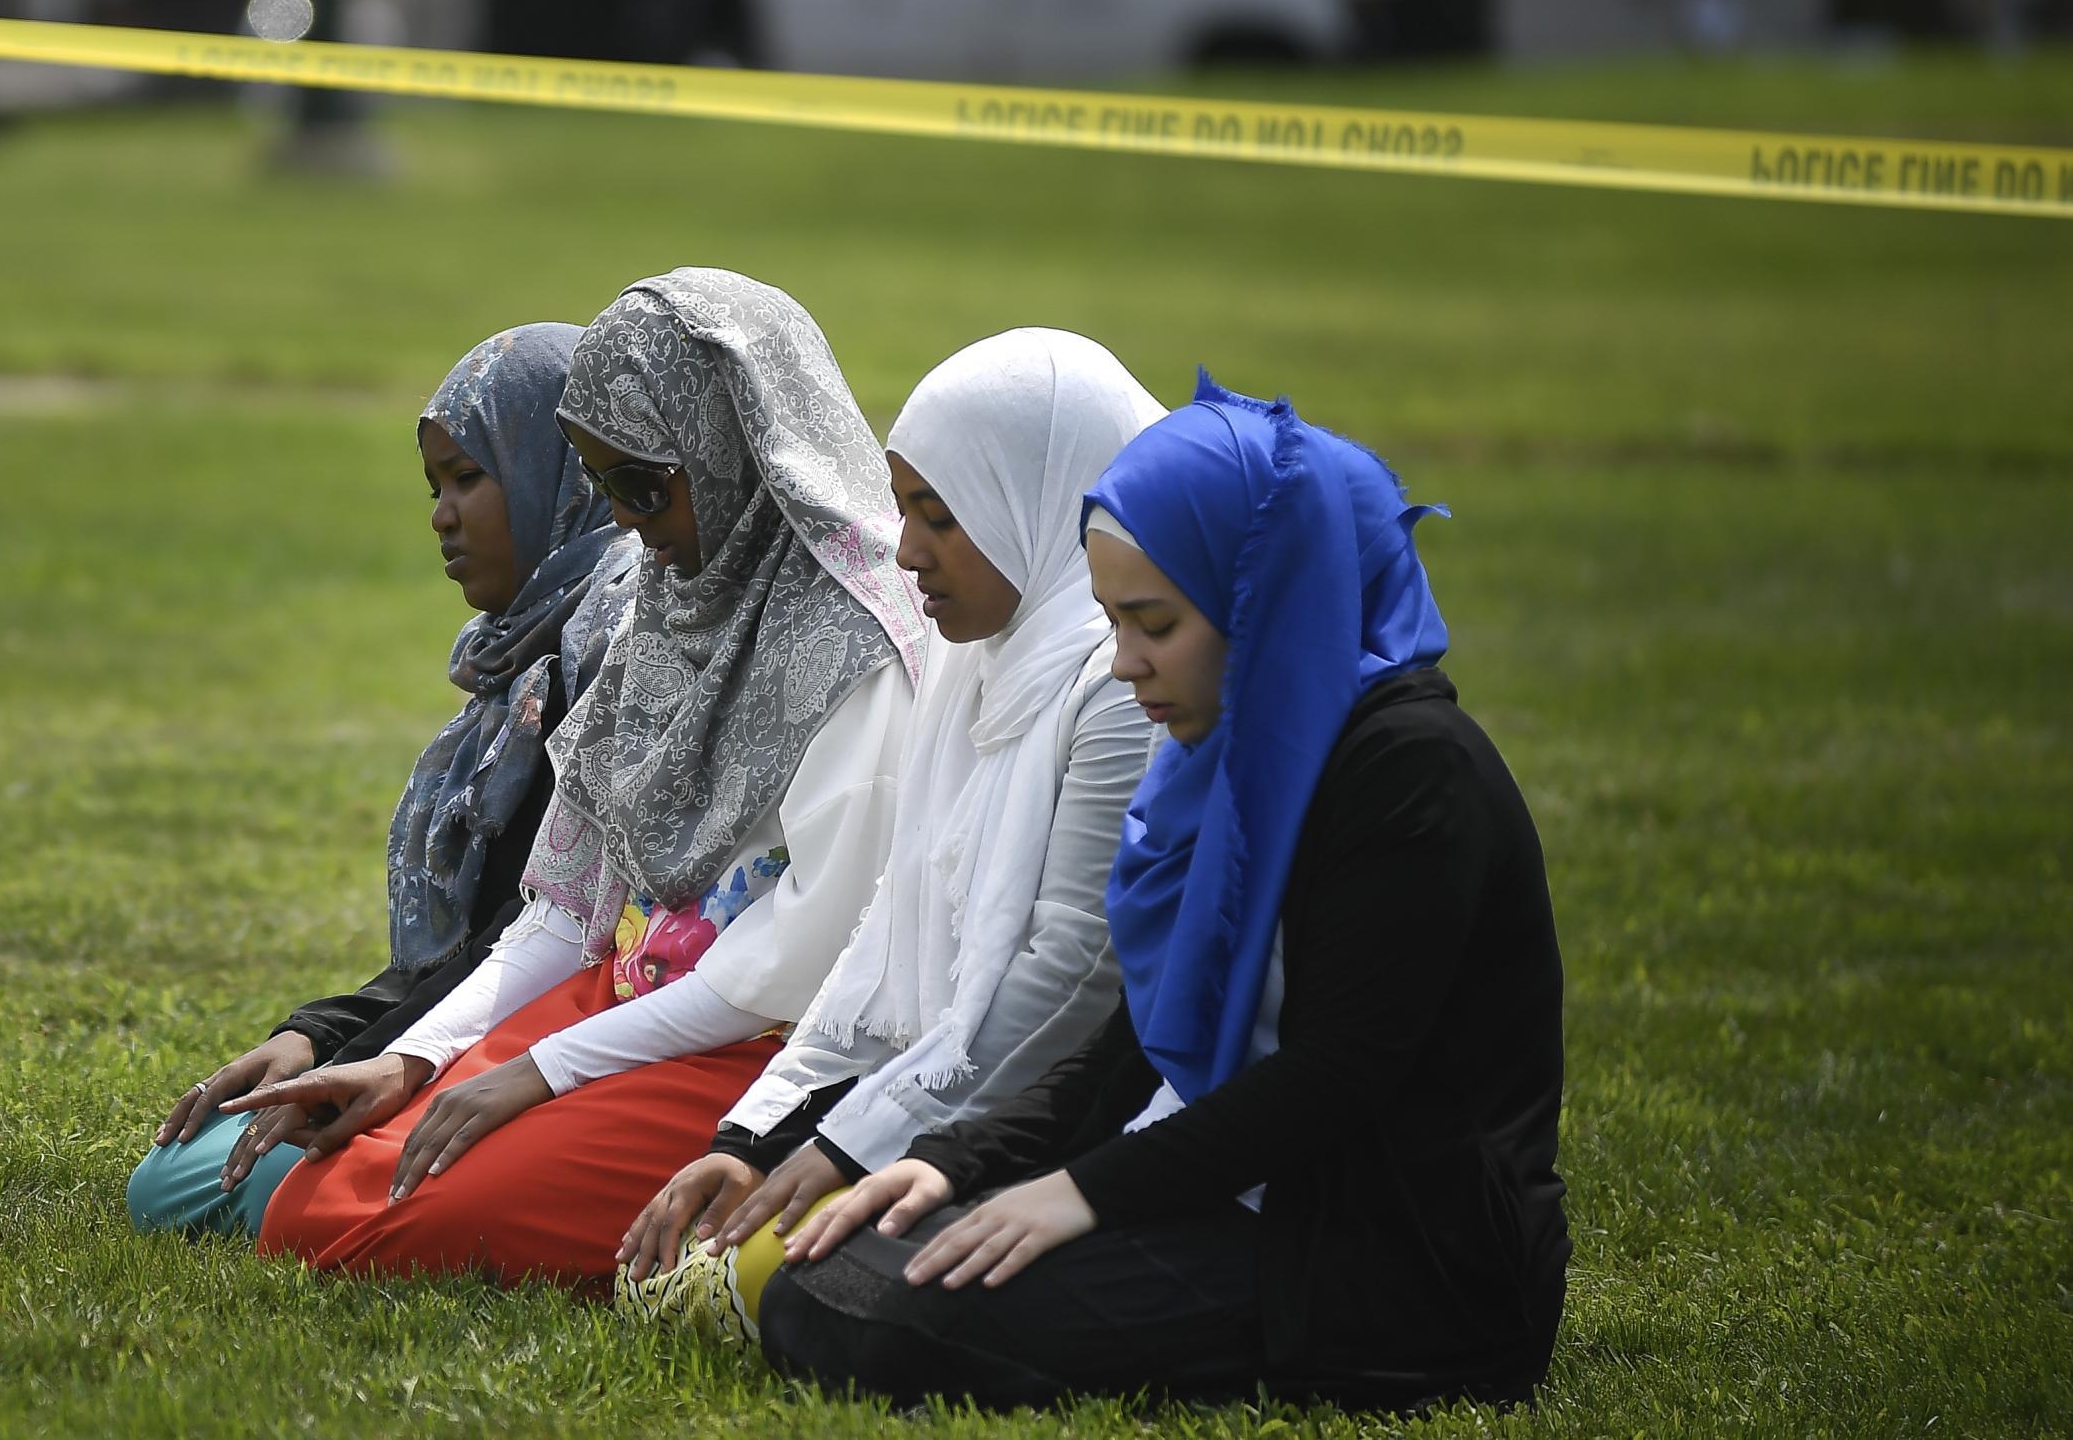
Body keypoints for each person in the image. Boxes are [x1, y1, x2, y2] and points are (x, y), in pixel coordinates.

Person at [760, 376, 1569, 1412]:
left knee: (886, 1316)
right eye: (1110, 620)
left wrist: (1080, 1194)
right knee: (831, 1279)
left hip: (1391, 1260)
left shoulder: (1410, 772)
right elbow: (1142, 1038)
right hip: (1232, 1190)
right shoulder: (1219, 751)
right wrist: (960, 1161)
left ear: (1264, 603)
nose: (1124, 664)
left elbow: (1334, 1080)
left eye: (1153, 623)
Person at [224, 268, 927, 1287]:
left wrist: (537, 1070)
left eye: (648, 484)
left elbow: (789, 964)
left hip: (764, 1048)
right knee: (307, 1199)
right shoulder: (669, 596)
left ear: (737, 448)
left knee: (370, 1227)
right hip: (630, 993)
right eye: (607, 489)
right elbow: (567, 902)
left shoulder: (855, 640)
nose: (631, 524)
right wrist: (416, 1056)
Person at [614, 328, 1164, 1341]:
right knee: (722, 1252)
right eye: (906, 510)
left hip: (1064, 1121)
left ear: (1036, 502)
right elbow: (888, 923)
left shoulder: (1121, 685)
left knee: (785, 1281)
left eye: (939, 516)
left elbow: (1067, 981)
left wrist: (849, 1146)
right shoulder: (973, 653)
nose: (907, 552)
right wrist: (763, 1134)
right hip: (939, 1102)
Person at [124, 323, 632, 1238]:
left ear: (566, 473)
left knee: (193, 1192)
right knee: (176, 1179)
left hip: (568, 1030)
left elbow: (554, 939)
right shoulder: (523, 661)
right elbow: (480, 944)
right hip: (488, 1010)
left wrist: (363, 1059)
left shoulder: (611, 655)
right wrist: (314, 1036)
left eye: (470, 477)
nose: (442, 513)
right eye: (434, 485)